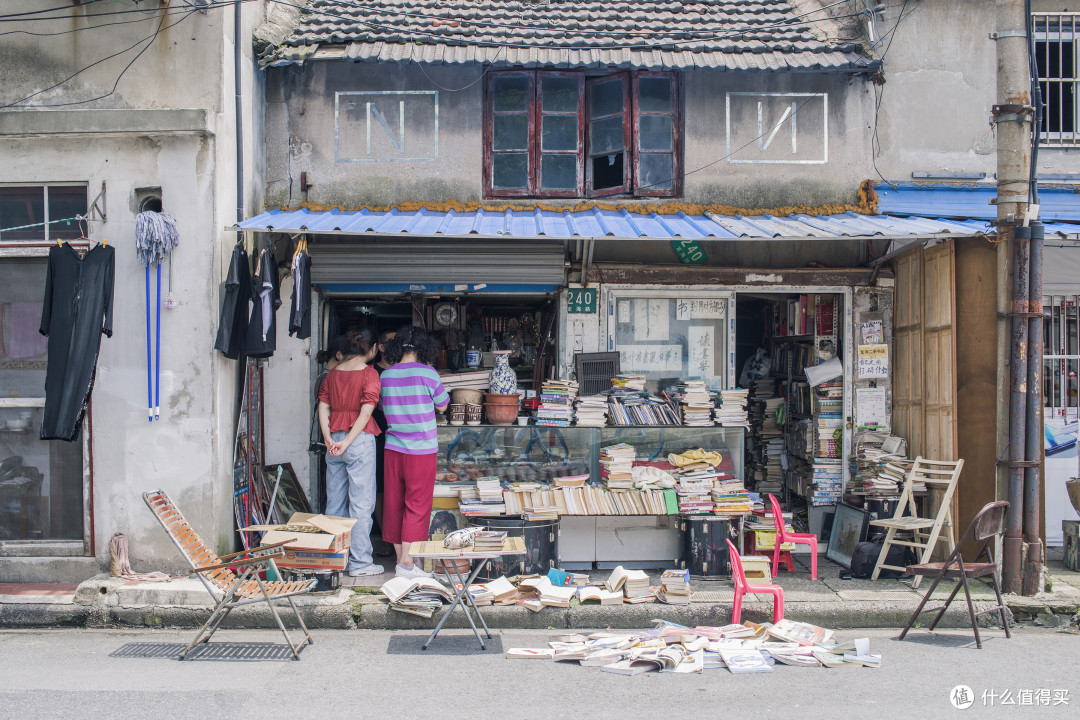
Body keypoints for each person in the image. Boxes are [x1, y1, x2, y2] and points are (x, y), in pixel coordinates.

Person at [380, 325, 450, 578]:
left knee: (394, 504)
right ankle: (407, 564)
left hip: (393, 449)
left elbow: (382, 406)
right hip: (421, 450)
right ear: (424, 347)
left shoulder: (385, 376)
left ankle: (402, 562)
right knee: (417, 505)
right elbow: (443, 405)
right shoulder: (428, 373)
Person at [317, 329, 383, 577]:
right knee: (361, 503)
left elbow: (323, 406)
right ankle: (360, 563)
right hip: (358, 440)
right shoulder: (369, 373)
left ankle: (334, 561)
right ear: (372, 349)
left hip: (333, 440)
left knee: (334, 502)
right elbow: (366, 412)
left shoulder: (333, 373)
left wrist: (328, 436)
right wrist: (348, 441)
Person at [310, 335, 352, 511]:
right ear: (339, 355)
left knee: (335, 493)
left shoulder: (324, 376)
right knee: (338, 493)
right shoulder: (329, 378)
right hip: (334, 436)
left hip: (331, 437)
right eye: (351, 357)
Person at [369, 329, 397, 558]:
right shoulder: (372, 373)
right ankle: (385, 536)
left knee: (395, 488)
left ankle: (396, 538)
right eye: (392, 341)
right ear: (380, 347)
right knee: (379, 487)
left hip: (399, 438)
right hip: (377, 437)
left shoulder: (402, 371)